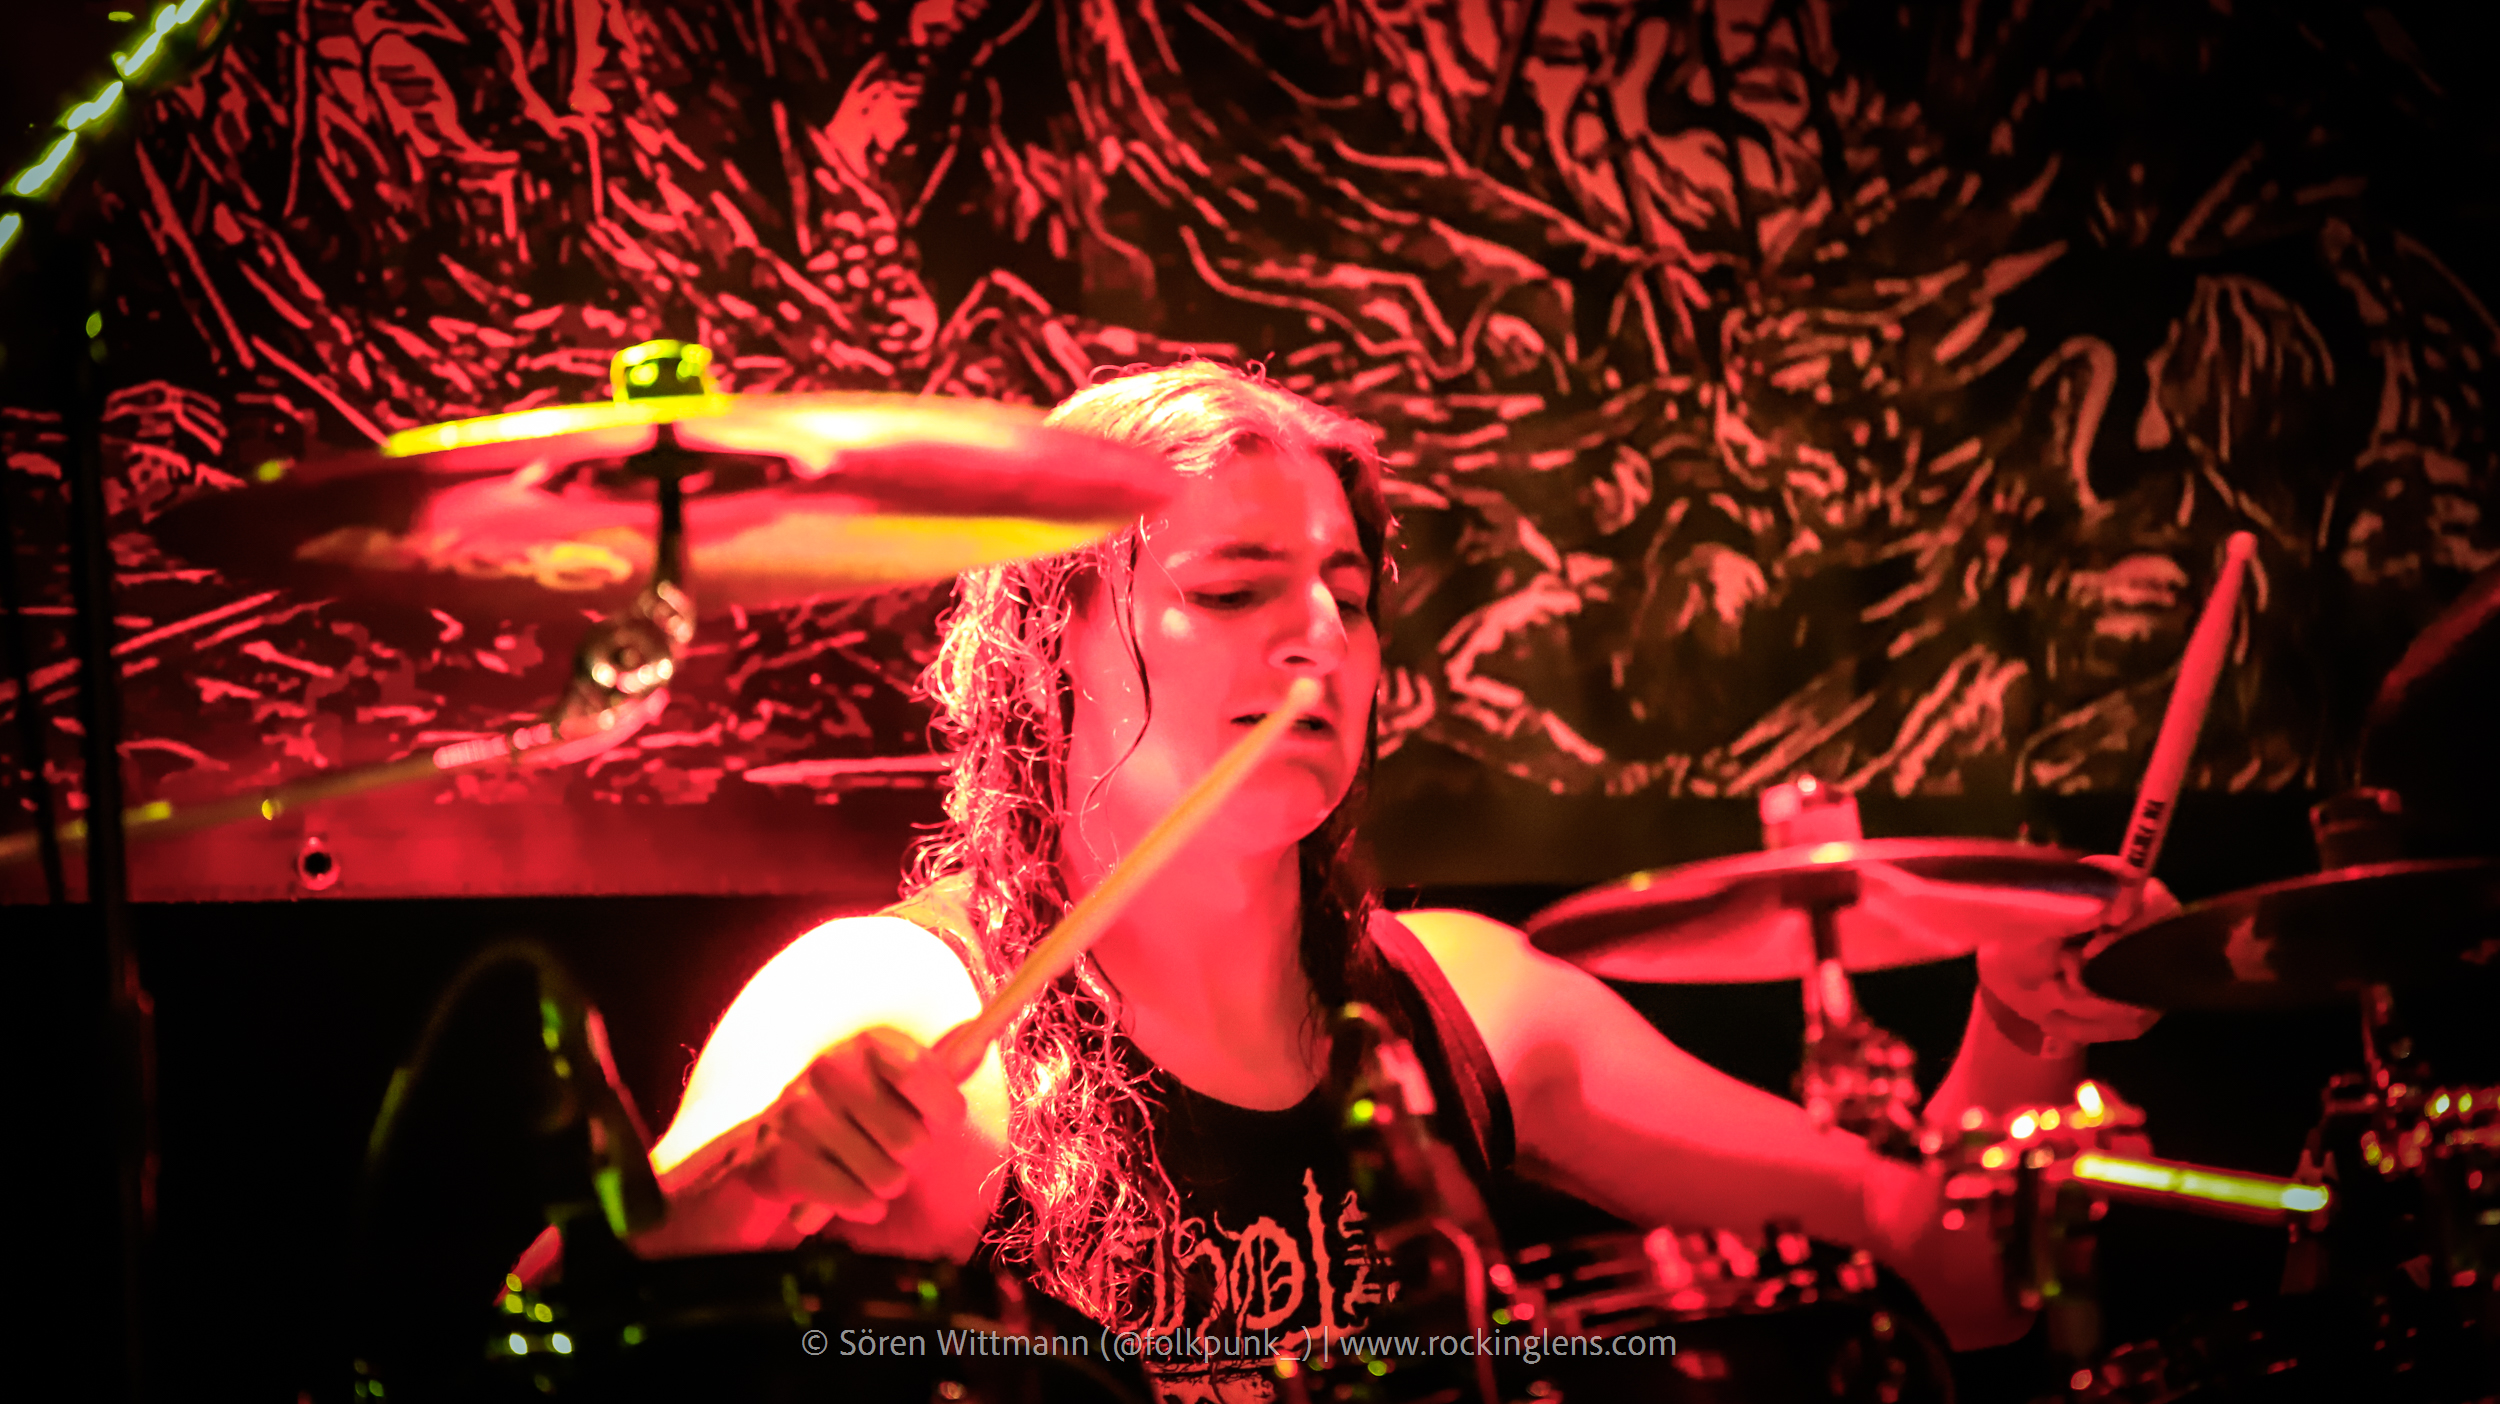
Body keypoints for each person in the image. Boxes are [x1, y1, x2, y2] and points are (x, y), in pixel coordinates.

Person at [622, 361, 2165, 1400]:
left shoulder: (1462, 1005)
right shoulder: (900, 993)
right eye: (1236, 589)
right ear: (1050, 647)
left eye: (1348, 597)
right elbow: (561, 1324)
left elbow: (1943, 1262)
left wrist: (2030, 1015)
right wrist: (757, 1175)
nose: (1321, 640)